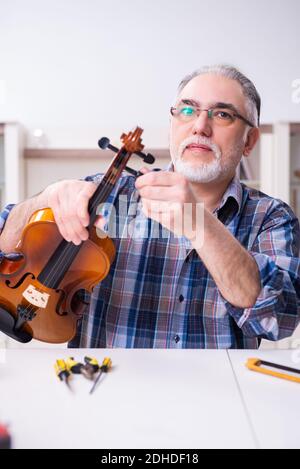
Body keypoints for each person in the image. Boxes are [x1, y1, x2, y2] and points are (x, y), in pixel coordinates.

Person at [0, 64, 300, 348]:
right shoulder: (110, 200)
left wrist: (200, 225)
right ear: (172, 126)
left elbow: (277, 319)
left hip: (217, 398)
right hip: (105, 388)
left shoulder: (270, 217)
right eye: (187, 109)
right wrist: (44, 200)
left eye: (222, 114)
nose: (200, 126)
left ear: (249, 141)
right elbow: (5, 243)